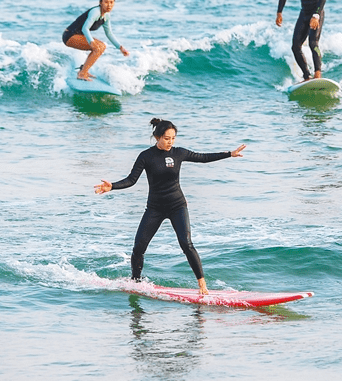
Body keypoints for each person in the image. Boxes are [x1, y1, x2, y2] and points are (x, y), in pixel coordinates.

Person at [95, 118, 246, 295]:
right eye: (167, 138)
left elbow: (203, 158)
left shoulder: (178, 153)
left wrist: (229, 153)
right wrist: (112, 186)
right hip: (155, 208)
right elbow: (131, 179)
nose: (171, 142)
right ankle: (135, 281)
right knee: (138, 247)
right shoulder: (146, 156)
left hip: (177, 206)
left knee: (186, 243)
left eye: (173, 138)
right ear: (157, 137)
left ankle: (202, 285)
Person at [276, 0, 328, 81]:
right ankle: (306, 76)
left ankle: (318, 73)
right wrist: (279, 12)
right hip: (304, 13)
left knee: (313, 43)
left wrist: (316, 15)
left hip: (317, 13)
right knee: (295, 46)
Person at [63, 0, 129, 81]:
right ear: (100, 3)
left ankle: (84, 70)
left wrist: (120, 47)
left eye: (111, 2)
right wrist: (91, 42)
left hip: (78, 35)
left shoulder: (106, 16)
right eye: (106, 2)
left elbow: (109, 33)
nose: (109, 5)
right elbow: (85, 28)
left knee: (102, 46)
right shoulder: (95, 12)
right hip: (69, 36)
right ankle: (82, 73)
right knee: (98, 47)